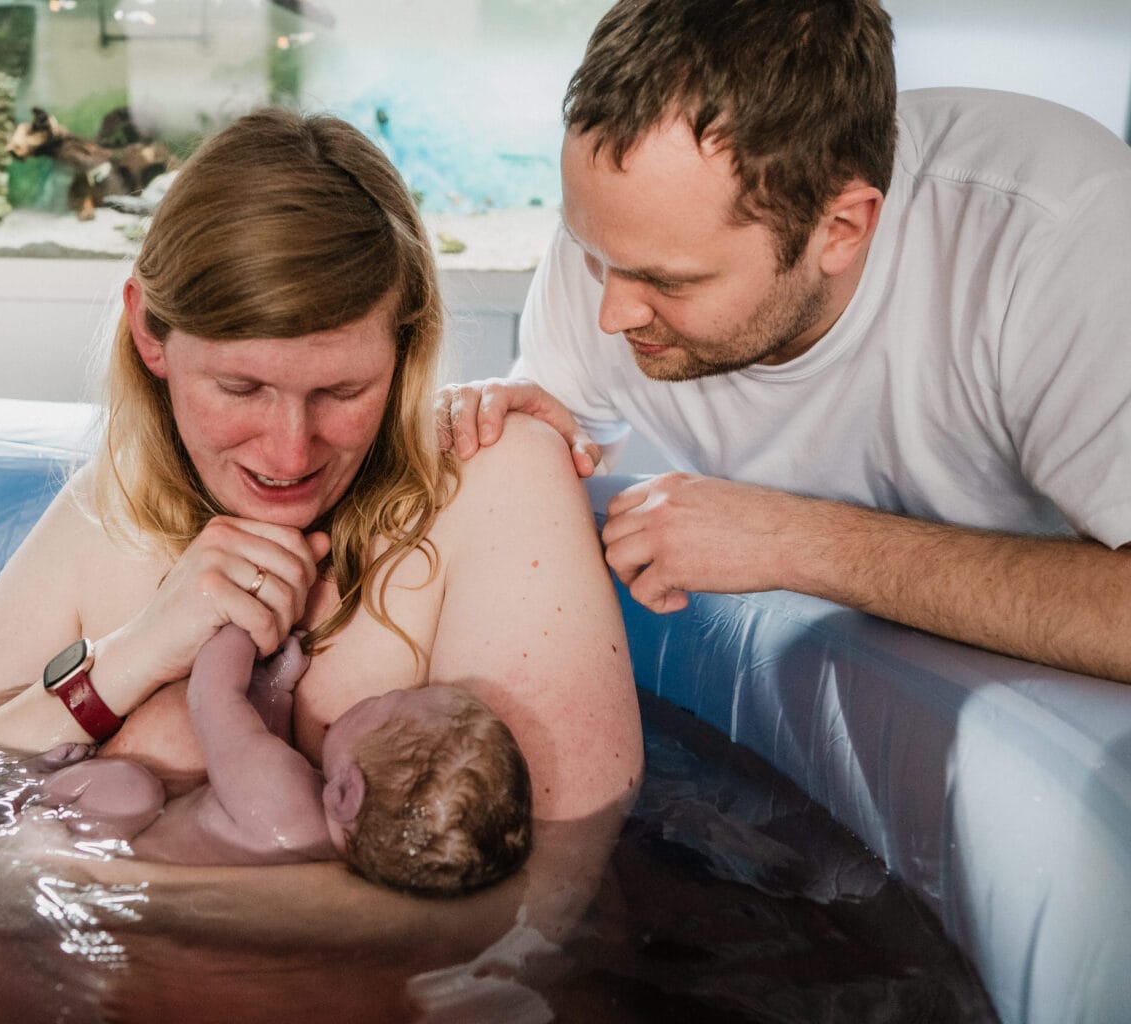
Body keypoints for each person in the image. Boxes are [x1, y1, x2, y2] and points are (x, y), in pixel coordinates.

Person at [0, 106, 643, 1019]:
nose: (289, 452)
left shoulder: (490, 482)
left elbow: (539, 900)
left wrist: (79, 880)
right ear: (150, 336)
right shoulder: (117, 506)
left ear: (405, 346)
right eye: (240, 388)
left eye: (343, 391)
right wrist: (128, 659)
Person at [445, 0, 1131, 683]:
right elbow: (565, 448)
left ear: (841, 229)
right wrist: (521, 439)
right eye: (590, 251)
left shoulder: (1061, 242)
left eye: (670, 282)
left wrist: (794, 540)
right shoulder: (622, 241)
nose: (611, 313)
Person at [28, 625, 532, 897]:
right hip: (151, 863)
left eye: (388, 702)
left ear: (345, 793)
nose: (379, 696)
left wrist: (242, 623)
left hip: (106, 847)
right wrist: (277, 686)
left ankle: (39, 799)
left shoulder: (283, 802)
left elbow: (214, 698)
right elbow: (253, 747)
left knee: (129, 787)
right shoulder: (332, 843)